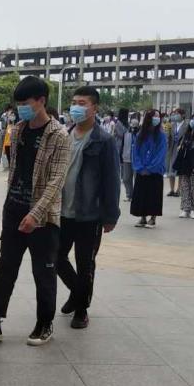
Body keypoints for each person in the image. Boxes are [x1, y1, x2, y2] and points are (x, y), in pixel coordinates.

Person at [0, 77, 70, 346]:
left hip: (43, 217)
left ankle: (44, 323)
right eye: (18, 103)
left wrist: (35, 214)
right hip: (14, 209)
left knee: (43, 270)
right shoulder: (18, 129)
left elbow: (56, 181)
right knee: (6, 266)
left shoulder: (59, 135)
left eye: (25, 102)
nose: (20, 107)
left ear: (41, 101)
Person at [57, 86, 120, 329]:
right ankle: (78, 293)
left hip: (89, 213)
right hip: (62, 211)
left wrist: (110, 214)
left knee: (85, 263)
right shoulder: (64, 135)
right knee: (55, 256)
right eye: (74, 102)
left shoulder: (104, 140)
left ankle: (81, 310)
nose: (76, 107)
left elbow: (112, 179)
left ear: (94, 108)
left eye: (82, 103)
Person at [131, 109, 167, 228]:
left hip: (155, 171)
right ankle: (142, 217)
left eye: (158, 116)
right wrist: (140, 168)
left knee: (154, 195)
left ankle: (153, 218)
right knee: (141, 194)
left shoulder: (161, 135)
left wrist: (151, 168)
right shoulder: (140, 135)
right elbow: (135, 152)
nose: (157, 119)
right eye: (154, 116)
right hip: (142, 171)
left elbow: (161, 154)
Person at [173, 110, 194, 220]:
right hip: (185, 165)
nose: (193, 121)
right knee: (185, 187)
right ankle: (185, 208)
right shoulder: (187, 134)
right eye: (192, 118)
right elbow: (181, 149)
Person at [165, 108, 188, 197]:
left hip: (181, 149)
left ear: (183, 115)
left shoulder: (186, 125)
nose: (176, 116)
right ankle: (172, 189)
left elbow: (186, 137)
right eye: (175, 114)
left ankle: (179, 190)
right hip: (172, 148)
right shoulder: (172, 125)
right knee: (171, 169)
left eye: (178, 114)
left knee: (180, 171)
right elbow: (168, 136)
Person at [121, 112, 139, 201]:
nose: (132, 128)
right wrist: (121, 156)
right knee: (126, 178)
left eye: (135, 126)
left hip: (137, 160)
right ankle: (129, 195)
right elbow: (122, 145)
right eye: (131, 125)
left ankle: (137, 196)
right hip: (126, 158)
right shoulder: (126, 133)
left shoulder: (140, 134)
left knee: (137, 179)